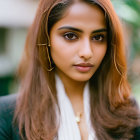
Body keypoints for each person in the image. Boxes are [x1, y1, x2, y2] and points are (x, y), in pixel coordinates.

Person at [0, 0, 140, 139]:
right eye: (71, 36)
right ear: (46, 38)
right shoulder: (7, 116)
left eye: (98, 37)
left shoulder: (127, 111)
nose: (87, 52)